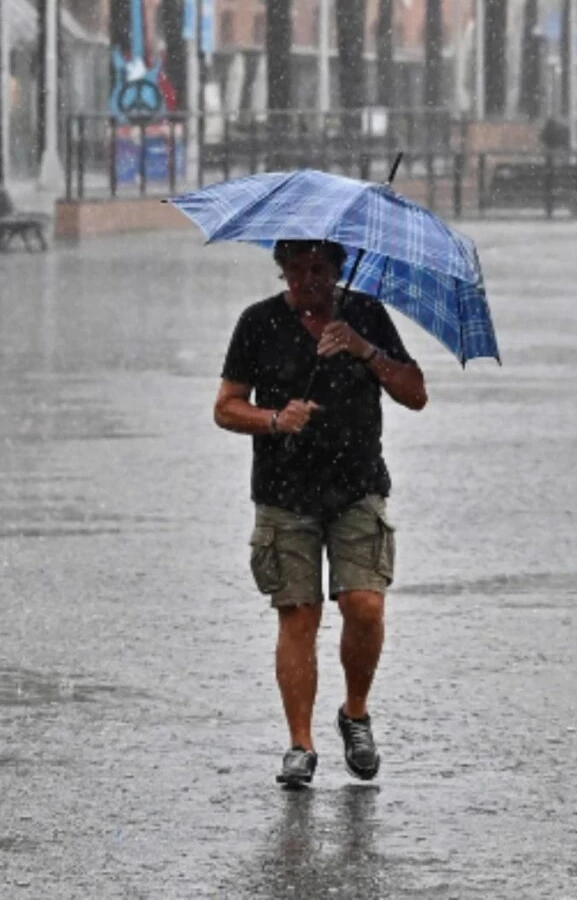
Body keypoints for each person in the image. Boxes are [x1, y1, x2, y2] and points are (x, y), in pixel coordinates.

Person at [214, 239, 428, 787]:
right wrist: (274, 419)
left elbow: (415, 392)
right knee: (299, 615)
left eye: (318, 269)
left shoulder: (365, 315)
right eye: (295, 270)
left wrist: (364, 350)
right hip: (285, 495)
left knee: (365, 606)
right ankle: (300, 745)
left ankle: (354, 713)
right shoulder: (258, 323)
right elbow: (226, 407)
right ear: (281, 271)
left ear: (337, 270)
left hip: (357, 488)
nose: (307, 281)